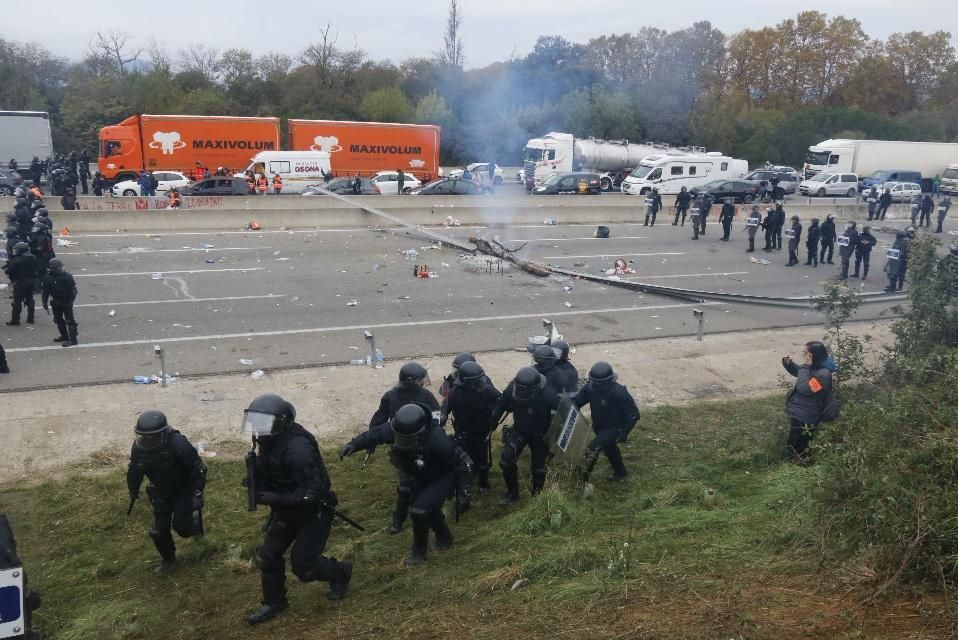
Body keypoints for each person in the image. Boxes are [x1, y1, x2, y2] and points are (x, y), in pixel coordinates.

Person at [241, 394, 352, 624]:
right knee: (267, 557)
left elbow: (311, 495)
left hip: (313, 513)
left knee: (304, 567)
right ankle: (274, 603)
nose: (259, 430)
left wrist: (273, 497)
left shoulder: (298, 450)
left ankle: (341, 572)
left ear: (280, 424)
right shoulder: (268, 441)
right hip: (286, 510)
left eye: (264, 424)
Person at [341, 403, 473, 566]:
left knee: (419, 510)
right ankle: (444, 537)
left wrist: (464, 493)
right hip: (418, 473)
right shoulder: (396, 427)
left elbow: (463, 464)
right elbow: (374, 434)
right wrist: (354, 444)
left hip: (443, 476)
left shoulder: (437, 439)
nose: (403, 441)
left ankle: (419, 553)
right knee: (427, 508)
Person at [126, 410, 207, 573]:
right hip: (160, 491)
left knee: (182, 528)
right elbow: (135, 470)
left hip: (184, 489)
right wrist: (133, 490)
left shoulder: (178, 444)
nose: (147, 440)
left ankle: (194, 524)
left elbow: (198, 469)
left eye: (152, 436)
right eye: (144, 436)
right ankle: (169, 560)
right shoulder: (138, 448)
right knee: (158, 531)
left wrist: (197, 494)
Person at [368, 362, 440, 534]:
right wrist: (371, 442)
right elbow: (379, 419)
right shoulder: (390, 397)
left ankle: (428, 516)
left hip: (424, 447)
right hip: (402, 448)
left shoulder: (427, 397)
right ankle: (398, 520)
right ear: (411, 381)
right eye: (420, 379)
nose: (423, 382)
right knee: (405, 486)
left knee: (424, 483)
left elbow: (437, 420)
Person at [491, 367, 560, 505]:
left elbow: (564, 411)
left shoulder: (548, 394)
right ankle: (512, 494)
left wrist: (557, 434)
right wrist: (492, 421)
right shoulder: (512, 389)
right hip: (520, 430)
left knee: (539, 468)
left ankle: (537, 496)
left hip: (541, 434)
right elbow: (502, 404)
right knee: (506, 461)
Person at [440, 361, 501, 495]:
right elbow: (444, 408)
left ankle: (483, 484)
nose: (480, 382)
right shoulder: (454, 392)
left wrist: (494, 418)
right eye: (476, 381)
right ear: (466, 382)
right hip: (463, 431)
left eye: (480, 379)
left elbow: (500, 402)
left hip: (482, 431)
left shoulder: (487, 389)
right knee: (460, 457)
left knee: (482, 459)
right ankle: (461, 484)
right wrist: (441, 421)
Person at [574, 362, 639, 483]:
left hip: (614, 427)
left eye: (599, 383)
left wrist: (623, 433)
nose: (595, 385)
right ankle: (621, 473)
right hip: (599, 425)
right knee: (610, 449)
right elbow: (578, 401)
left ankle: (582, 480)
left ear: (608, 381)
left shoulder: (619, 392)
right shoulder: (590, 387)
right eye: (593, 381)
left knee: (592, 449)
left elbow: (634, 414)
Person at [782, 342, 832, 462]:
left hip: (807, 415)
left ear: (814, 355)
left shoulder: (824, 374)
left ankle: (798, 465)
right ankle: (798, 463)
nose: (804, 355)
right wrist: (788, 364)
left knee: (799, 444)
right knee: (795, 442)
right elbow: (800, 373)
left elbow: (804, 388)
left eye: (806, 353)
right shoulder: (815, 367)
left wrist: (805, 366)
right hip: (801, 412)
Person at [41, 258, 77, 346]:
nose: (59, 269)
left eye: (60, 267)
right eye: (57, 267)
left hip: (66, 300)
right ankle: (64, 335)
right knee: (58, 319)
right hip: (56, 301)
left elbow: (73, 291)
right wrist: (44, 303)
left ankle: (73, 340)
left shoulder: (67, 276)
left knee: (69, 321)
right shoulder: (47, 277)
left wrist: (70, 302)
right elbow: (45, 292)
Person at [4, 242, 38, 326]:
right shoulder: (33, 257)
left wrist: (8, 267)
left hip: (20, 282)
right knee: (30, 299)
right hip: (31, 281)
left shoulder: (16, 260)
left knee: (17, 301)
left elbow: (9, 271)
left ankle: (15, 320)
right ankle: (31, 318)